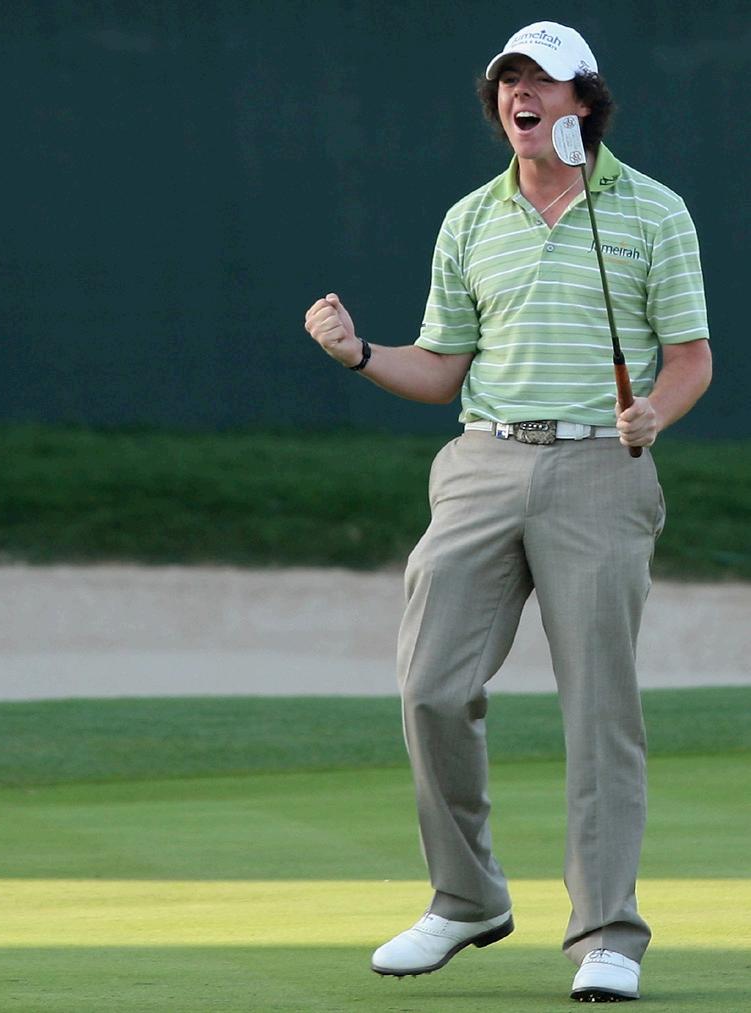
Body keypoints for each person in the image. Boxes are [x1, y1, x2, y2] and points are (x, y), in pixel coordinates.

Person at [303, 20, 711, 1004]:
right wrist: (359, 354)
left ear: (582, 101)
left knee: (599, 708)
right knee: (429, 686)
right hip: (481, 461)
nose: (519, 94)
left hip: (600, 466)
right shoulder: (468, 219)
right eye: (507, 80)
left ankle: (606, 932)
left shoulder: (652, 211)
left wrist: (655, 410)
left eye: (541, 81)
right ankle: (466, 897)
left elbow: (689, 356)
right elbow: (440, 366)